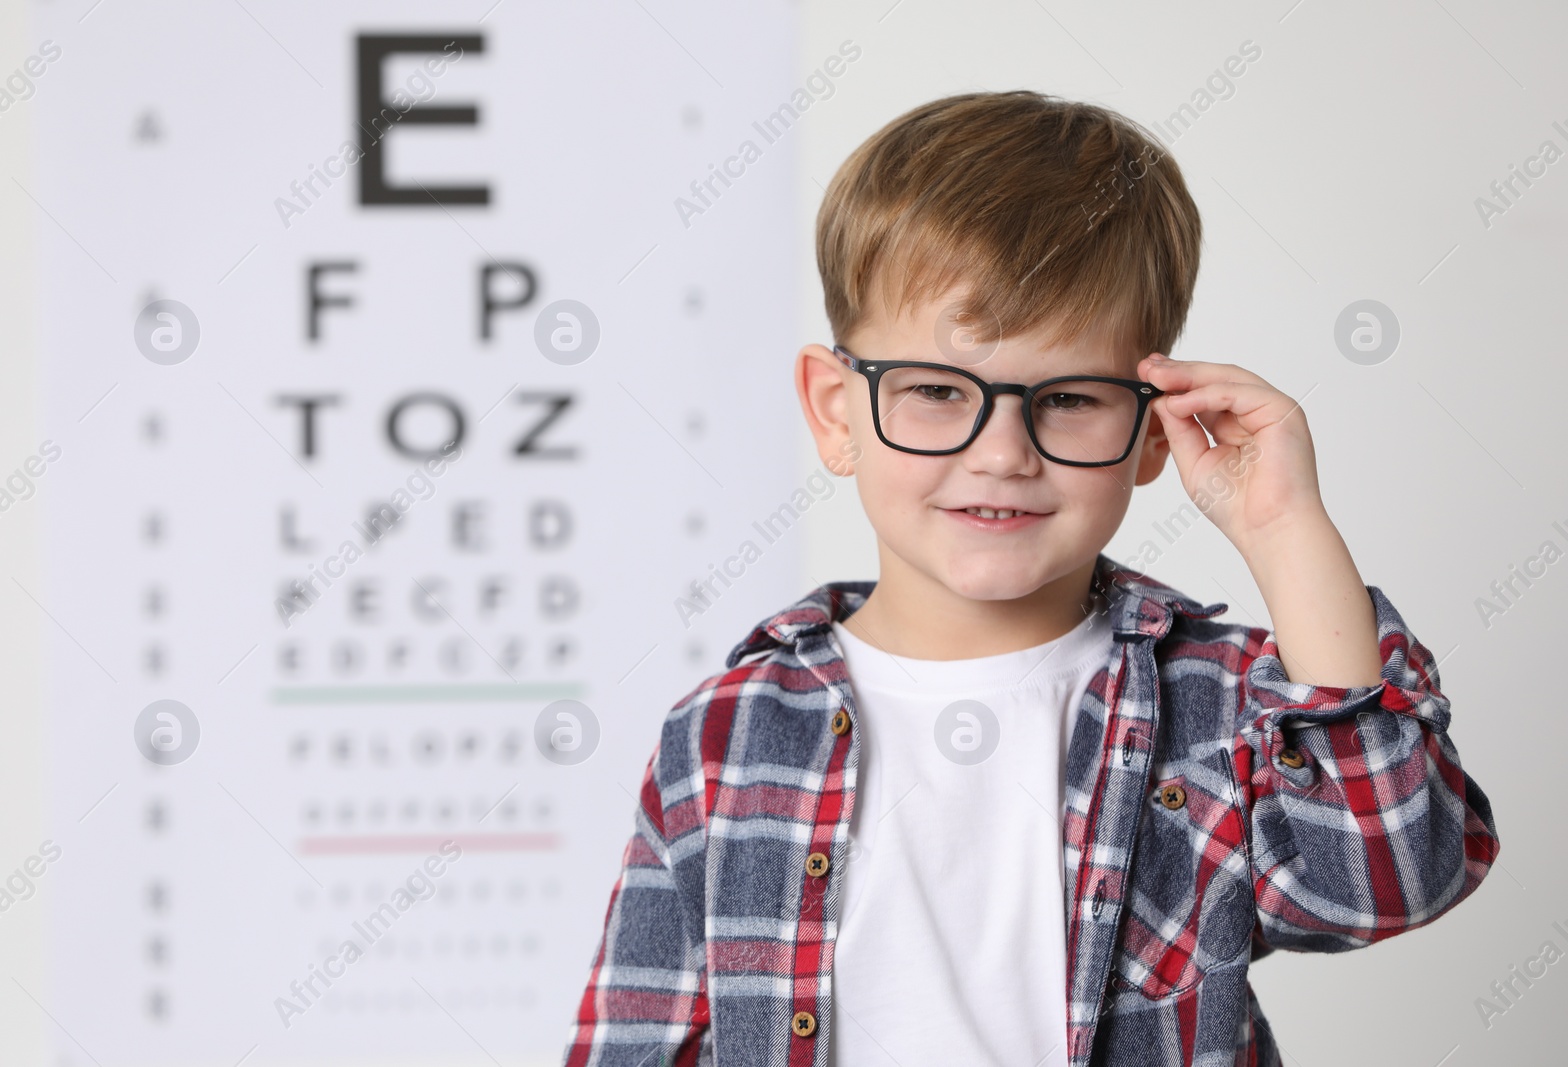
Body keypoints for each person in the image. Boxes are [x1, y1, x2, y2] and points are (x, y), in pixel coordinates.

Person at [559, 90, 1499, 1067]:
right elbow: (635, 1038)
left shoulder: (1217, 707)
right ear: (836, 410)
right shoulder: (727, 733)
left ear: (1148, 426)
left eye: (1069, 399)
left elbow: (1388, 877)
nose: (1002, 452)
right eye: (935, 390)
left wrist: (1285, 530)